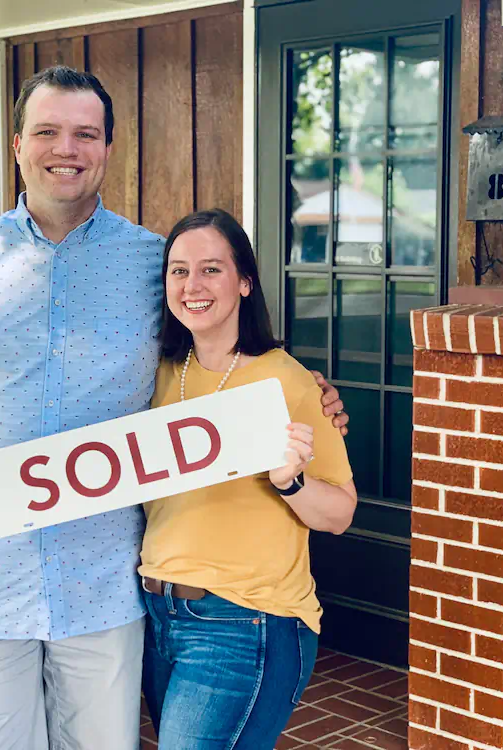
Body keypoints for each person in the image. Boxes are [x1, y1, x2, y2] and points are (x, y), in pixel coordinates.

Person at [0, 66, 348, 750]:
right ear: (18, 144)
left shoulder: (153, 265)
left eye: (85, 133)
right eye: (47, 131)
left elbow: (214, 344)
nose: (65, 149)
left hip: (102, 585)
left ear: (107, 147)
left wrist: (302, 388)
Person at [139, 208, 357, 749]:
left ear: (245, 282)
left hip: (245, 621)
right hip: (157, 615)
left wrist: (292, 483)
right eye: (179, 270)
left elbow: (341, 514)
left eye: (211, 269)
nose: (192, 285)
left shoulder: (287, 381)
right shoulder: (154, 375)